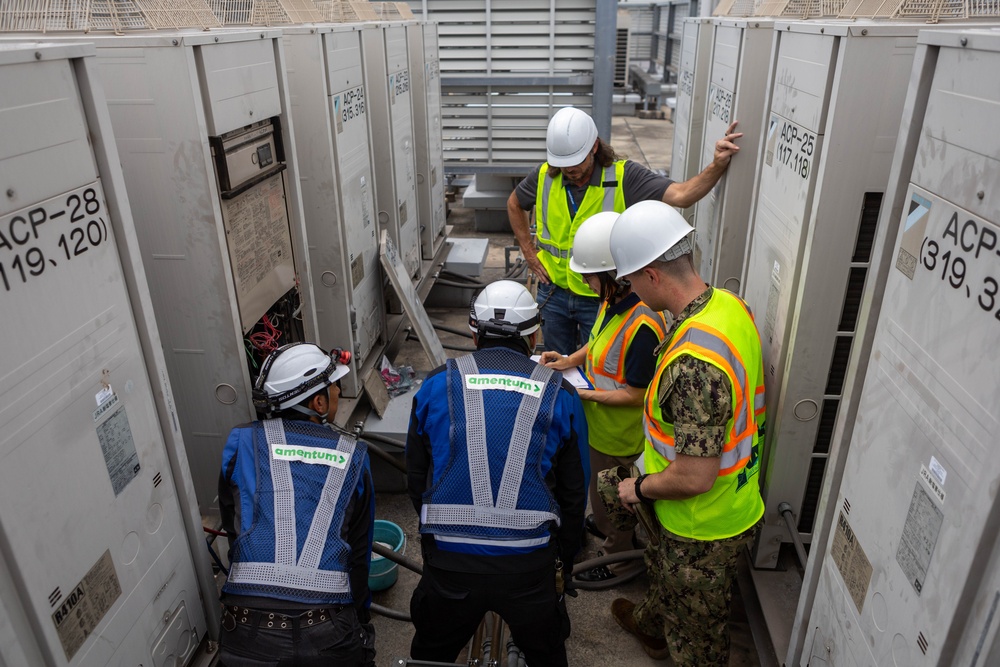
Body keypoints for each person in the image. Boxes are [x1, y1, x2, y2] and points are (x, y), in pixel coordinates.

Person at [607, 201, 766, 666]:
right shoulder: (728, 306)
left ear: (653, 275)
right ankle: (652, 625)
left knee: (698, 641)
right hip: (737, 501)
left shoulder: (695, 362)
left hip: (701, 524)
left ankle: (669, 632)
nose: (630, 290)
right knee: (669, 580)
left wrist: (637, 487)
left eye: (631, 279)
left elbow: (694, 477)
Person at [405, 280, 589, 667]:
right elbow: (574, 494)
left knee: (429, 655)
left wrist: (436, 539)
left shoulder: (437, 383)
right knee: (547, 653)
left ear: (473, 333)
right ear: (535, 335)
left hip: (450, 566)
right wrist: (563, 564)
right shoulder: (561, 393)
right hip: (528, 567)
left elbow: (416, 476)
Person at [507, 105, 742, 355]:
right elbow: (514, 204)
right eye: (563, 164)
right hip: (553, 292)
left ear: (594, 147)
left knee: (600, 359)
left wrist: (717, 164)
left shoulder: (624, 176)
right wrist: (529, 253)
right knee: (558, 361)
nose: (569, 170)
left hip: (601, 294)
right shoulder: (544, 175)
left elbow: (682, 195)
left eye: (575, 162)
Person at [218, 343, 376, 667]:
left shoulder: (241, 441)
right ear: (318, 402)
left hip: (245, 627)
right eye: (334, 387)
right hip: (327, 631)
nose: (338, 393)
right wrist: (359, 624)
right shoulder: (354, 456)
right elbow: (359, 561)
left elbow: (232, 524)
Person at [538, 211, 668, 583]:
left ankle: (618, 561)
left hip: (619, 437)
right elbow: (597, 344)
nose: (583, 281)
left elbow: (636, 395)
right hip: (598, 427)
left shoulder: (643, 325)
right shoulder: (612, 302)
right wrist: (569, 360)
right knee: (601, 495)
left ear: (613, 274)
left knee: (615, 501)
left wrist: (585, 393)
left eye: (589, 275)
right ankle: (610, 530)